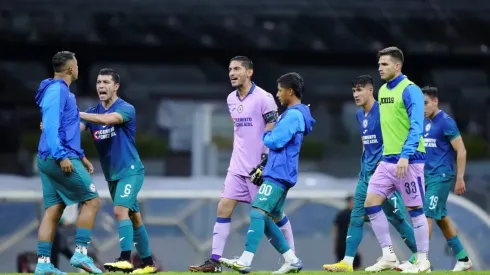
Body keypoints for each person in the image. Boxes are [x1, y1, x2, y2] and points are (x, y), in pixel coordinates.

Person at [188, 56, 295, 273]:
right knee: (223, 208)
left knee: (274, 215)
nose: (232, 73)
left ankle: (291, 258)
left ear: (249, 72)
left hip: (260, 169)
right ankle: (214, 261)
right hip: (237, 167)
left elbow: (273, 130)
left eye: (237, 69)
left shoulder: (264, 98)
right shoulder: (231, 99)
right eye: (229, 69)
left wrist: (266, 162)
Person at [219, 72, 315, 274]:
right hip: (280, 171)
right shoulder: (294, 113)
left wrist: (264, 132)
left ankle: (245, 260)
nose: (278, 94)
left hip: (279, 173)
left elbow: (275, 141)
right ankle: (291, 260)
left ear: (290, 91)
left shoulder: (293, 115)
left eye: (280, 90)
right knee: (269, 215)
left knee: (257, 211)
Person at [323, 75, 418, 272]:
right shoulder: (360, 115)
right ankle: (347, 262)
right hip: (366, 175)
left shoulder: (384, 111)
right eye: (353, 91)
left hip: (385, 174)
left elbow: (396, 136)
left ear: (370, 91)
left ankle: (420, 257)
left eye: (359, 90)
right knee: (356, 216)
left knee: (397, 218)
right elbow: (365, 142)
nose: (356, 94)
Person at [78, 68, 157, 274]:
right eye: (98, 82)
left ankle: (125, 259)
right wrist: (54, 125)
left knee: (119, 210)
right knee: (134, 217)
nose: (101, 86)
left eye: (105, 82)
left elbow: (107, 120)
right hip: (112, 175)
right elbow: (75, 130)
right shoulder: (92, 111)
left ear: (116, 86)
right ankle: (148, 264)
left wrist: (75, 112)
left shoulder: (126, 108)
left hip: (131, 170)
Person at [363, 47, 430, 273]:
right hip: (387, 161)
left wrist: (405, 155)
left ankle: (422, 260)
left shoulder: (411, 90)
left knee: (415, 209)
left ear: (397, 66)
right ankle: (388, 255)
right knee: (371, 203)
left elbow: (417, 127)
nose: (380, 68)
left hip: (409, 161)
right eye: (379, 64)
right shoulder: (382, 91)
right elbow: (388, 127)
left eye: (384, 64)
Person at [34, 51, 102, 275]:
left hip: (54, 155)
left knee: (54, 210)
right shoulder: (56, 91)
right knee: (91, 201)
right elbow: (51, 127)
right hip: (57, 156)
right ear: (71, 69)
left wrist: (81, 155)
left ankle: (44, 263)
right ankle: (81, 254)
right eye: (78, 65)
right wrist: (63, 156)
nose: (79, 69)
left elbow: (66, 128)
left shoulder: (61, 92)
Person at [397, 86, 472, 271]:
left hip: (442, 175)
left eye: (425, 103)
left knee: (425, 214)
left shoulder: (446, 122)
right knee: (441, 217)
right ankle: (463, 259)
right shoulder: (421, 122)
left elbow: (461, 150)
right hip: (425, 175)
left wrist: (460, 178)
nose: (422, 107)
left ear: (435, 101)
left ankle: (419, 259)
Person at [331, 196, 362, 270]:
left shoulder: (340, 214)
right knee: (354, 264)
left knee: (342, 264)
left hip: (340, 243)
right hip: (348, 243)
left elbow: (335, 229)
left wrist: (335, 243)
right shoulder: (352, 214)